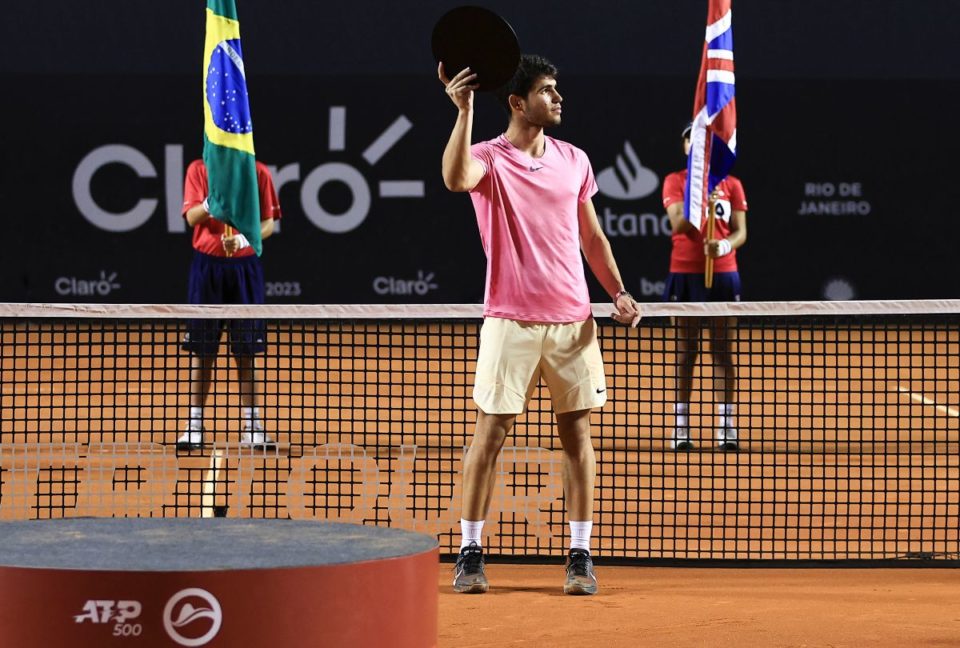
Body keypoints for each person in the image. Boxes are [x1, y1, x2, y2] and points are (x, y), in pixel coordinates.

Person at [438, 54, 641, 595]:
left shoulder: (575, 160)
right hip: (510, 321)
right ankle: (470, 551)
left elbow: (592, 238)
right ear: (517, 102)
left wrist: (617, 291)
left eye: (557, 90)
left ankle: (579, 555)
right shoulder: (489, 157)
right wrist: (463, 111)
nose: (558, 98)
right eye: (547, 90)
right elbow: (456, 178)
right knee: (490, 435)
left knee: (578, 438)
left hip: (573, 322)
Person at [176, 159, 281, 452]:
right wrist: (213, 203)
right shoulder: (198, 170)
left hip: (244, 268)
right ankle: (194, 426)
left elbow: (269, 224)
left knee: (246, 352)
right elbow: (192, 218)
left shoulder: (258, 172)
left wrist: (246, 240)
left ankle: (252, 426)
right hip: (207, 269)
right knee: (202, 351)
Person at [662, 123, 748, 451]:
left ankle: (726, 425)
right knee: (687, 353)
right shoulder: (676, 181)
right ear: (685, 147)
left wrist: (724, 246)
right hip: (685, 274)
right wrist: (699, 198)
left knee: (722, 351)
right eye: (692, 141)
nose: (698, 146)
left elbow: (740, 232)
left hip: (724, 274)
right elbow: (678, 224)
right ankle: (681, 427)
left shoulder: (733, 185)